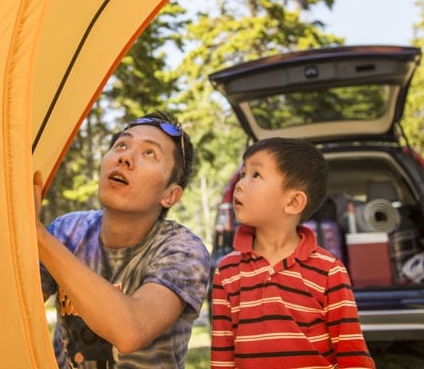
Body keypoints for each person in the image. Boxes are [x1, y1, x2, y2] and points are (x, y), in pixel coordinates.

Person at [35, 111, 211, 368]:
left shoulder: (183, 251)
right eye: (121, 145)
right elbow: (8, 309)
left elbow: (131, 332)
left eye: (149, 153)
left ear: (170, 195)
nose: (125, 157)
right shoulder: (66, 231)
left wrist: (37, 234)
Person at [210, 137, 375, 369]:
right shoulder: (227, 272)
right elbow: (222, 355)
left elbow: (353, 356)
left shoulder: (329, 270)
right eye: (242, 174)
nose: (239, 184)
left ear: (294, 202)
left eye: (255, 175)